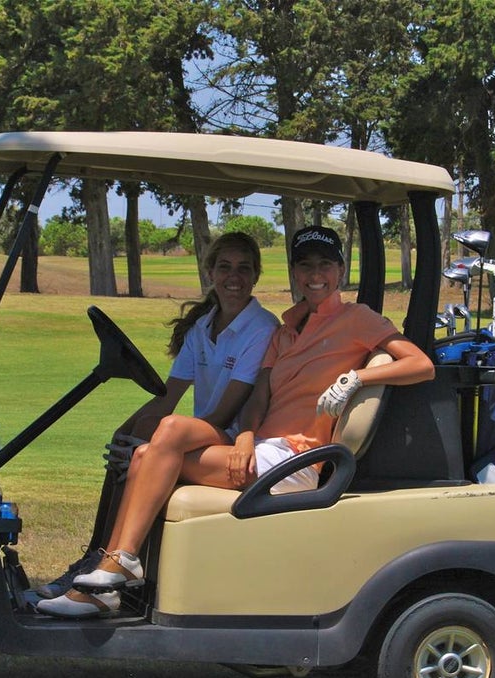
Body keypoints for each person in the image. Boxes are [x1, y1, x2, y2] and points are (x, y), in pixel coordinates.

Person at [34, 225, 435, 617]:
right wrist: (246, 437)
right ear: (293, 273)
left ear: (341, 271)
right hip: (264, 450)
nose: (316, 275)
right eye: (305, 266)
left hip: (297, 459)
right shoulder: (286, 330)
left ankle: (114, 569)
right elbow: (259, 396)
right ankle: (113, 571)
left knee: (165, 436)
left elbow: (421, 364)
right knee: (143, 456)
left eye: (325, 265)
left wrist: (357, 378)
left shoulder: (357, 318)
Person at [35, 232, 278, 600]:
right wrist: (127, 431)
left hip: (236, 437)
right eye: (225, 267)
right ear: (209, 271)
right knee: (130, 444)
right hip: (203, 433)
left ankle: (115, 561)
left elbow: (223, 413)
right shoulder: (202, 326)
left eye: (244, 269)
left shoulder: (261, 327)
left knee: (162, 436)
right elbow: (169, 396)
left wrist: (163, 438)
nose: (235, 277)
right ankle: (96, 559)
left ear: (256, 275)